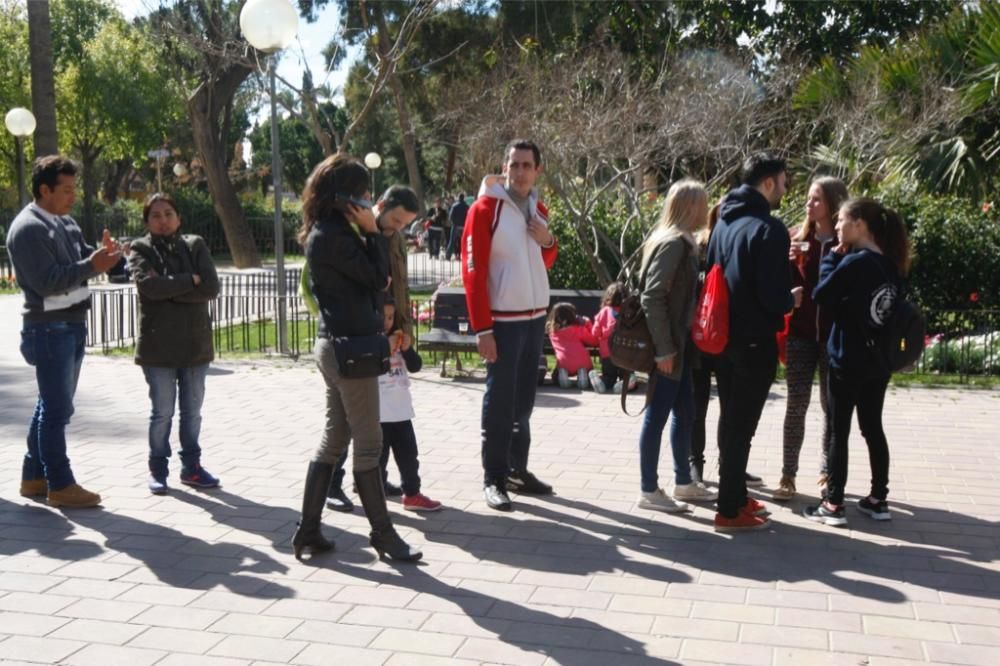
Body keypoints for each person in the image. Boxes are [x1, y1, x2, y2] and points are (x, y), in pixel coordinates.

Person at [293, 154, 421, 562]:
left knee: (336, 439)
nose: (369, 202)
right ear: (345, 197)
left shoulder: (327, 231)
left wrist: (366, 234)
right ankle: (383, 534)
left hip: (340, 347)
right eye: (364, 194)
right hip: (351, 351)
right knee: (369, 443)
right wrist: (373, 234)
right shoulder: (336, 235)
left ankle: (308, 530)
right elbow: (377, 277)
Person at [6, 155, 122, 508]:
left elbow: (80, 260)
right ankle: (60, 483)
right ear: (45, 190)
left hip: (70, 323)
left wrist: (107, 256)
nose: (73, 196)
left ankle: (33, 476)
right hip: (48, 328)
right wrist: (91, 264)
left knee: (50, 406)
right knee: (57, 411)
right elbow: (47, 282)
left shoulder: (65, 222)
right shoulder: (28, 228)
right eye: (67, 189)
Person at [462, 139, 558, 511]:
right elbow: (473, 271)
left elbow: (546, 258)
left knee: (524, 402)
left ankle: (518, 470)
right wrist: (482, 329)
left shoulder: (539, 207)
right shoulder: (484, 209)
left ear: (538, 170)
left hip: (534, 318)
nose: (519, 172)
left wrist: (547, 239)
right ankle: (494, 478)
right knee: (500, 402)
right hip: (502, 322)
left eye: (526, 165)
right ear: (504, 167)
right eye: (513, 164)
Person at [707, 152, 800, 532]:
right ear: (767, 183)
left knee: (731, 421)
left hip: (723, 338)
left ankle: (734, 495)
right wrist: (789, 300)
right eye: (783, 181)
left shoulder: (723, 222)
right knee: (741, 426)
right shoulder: (769, 228)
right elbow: (769, 291)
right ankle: (729, 510)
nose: (785, 188)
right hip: (754, 340)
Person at [804, 198, 910, 527]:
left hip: (846, 358)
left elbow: (821, 295)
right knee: (872, 428)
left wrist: (830, 261)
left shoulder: (854, 263)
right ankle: (879, 499)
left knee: (839, 429)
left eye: (842, 220)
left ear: (860, 224)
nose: (837, 226)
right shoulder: (891, 266)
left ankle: (833, 503)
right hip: (878, 362)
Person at [325, 185, 420, 511]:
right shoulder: (351, 234)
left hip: (383, 333)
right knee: (348, 418)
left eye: (404, 224)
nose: (398, 228)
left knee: (377, 417)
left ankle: (372, 477)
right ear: (379, 205)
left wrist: (402, 326)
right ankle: (332, 484)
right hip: (355, 336)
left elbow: (399, 283)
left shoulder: (391, 237)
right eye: (394, 219)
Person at [130, 193, 221, 495]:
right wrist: (189, 280)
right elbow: (149, 287)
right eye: (156, 215)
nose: (163, 220)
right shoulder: (140, 249)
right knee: (162, 412)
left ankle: (191, 468)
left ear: (179, 217)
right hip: (158, 348)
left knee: (192, 412)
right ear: (147, 221)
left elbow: (211, 287)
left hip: (195, 345)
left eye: (169, 213)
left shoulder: (195, 245)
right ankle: (158, 469)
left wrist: (173, 285)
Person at [637, 179, 718, 512]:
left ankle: (683, 481)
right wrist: (664, 348)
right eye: (703, 203)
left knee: (685, 411)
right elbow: (652, 297)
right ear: (690, 207)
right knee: (658, 416)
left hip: (678, 347)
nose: (707, 208)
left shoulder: (680, 241)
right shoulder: (673, 244)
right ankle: (649, 489)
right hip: (670, 347)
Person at [774, 177, 848, 501]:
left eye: (816, 199)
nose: (809, 205)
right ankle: (788, 474)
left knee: (831, 408)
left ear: (832, 203)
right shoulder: (797, 238)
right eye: (808, 199)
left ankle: (826, 471)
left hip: (833, 337)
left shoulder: (846, 243)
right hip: (801, 335)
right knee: (796, 404)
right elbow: (782, 287)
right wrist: (787, 264)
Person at [377, 295, 442, 511]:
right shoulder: (371, 343)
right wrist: (383, 349)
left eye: (390, 317)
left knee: (409, 456)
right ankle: (375, 495)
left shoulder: (399, 338)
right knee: (379, 459)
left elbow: (415, 366)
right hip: (379, 415)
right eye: (383, 317)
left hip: (402, 412)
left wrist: (407, 349)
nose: (387, 321)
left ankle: (412, 493)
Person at [546, 302, 598, 389]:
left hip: (563, 362)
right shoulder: (579, 330)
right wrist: (588, 324)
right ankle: (583, 375)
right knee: (589, 370)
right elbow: (593, 341)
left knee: (555, 375)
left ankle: (562, 375)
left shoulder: (552, 332)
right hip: (583, 361)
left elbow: (550, 326)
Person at [589, 282, 627, 394]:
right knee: (626, 374)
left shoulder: (604, 311)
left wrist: (601, 336)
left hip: (607, 352)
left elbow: (594, 332)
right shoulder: (627, 312)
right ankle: (626, 383)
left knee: (609, 376)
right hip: (625, 352)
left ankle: (604, 383)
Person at [446, 191, 469, 260]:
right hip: (464, 226)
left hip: (456, 226)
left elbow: (450, 217)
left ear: (458, 198)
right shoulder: (467, 206)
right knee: (465, 242)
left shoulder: (454, 206)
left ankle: (448, 256)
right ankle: (466, 257)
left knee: (452, 242)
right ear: (464, 198)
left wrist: (454, 222)